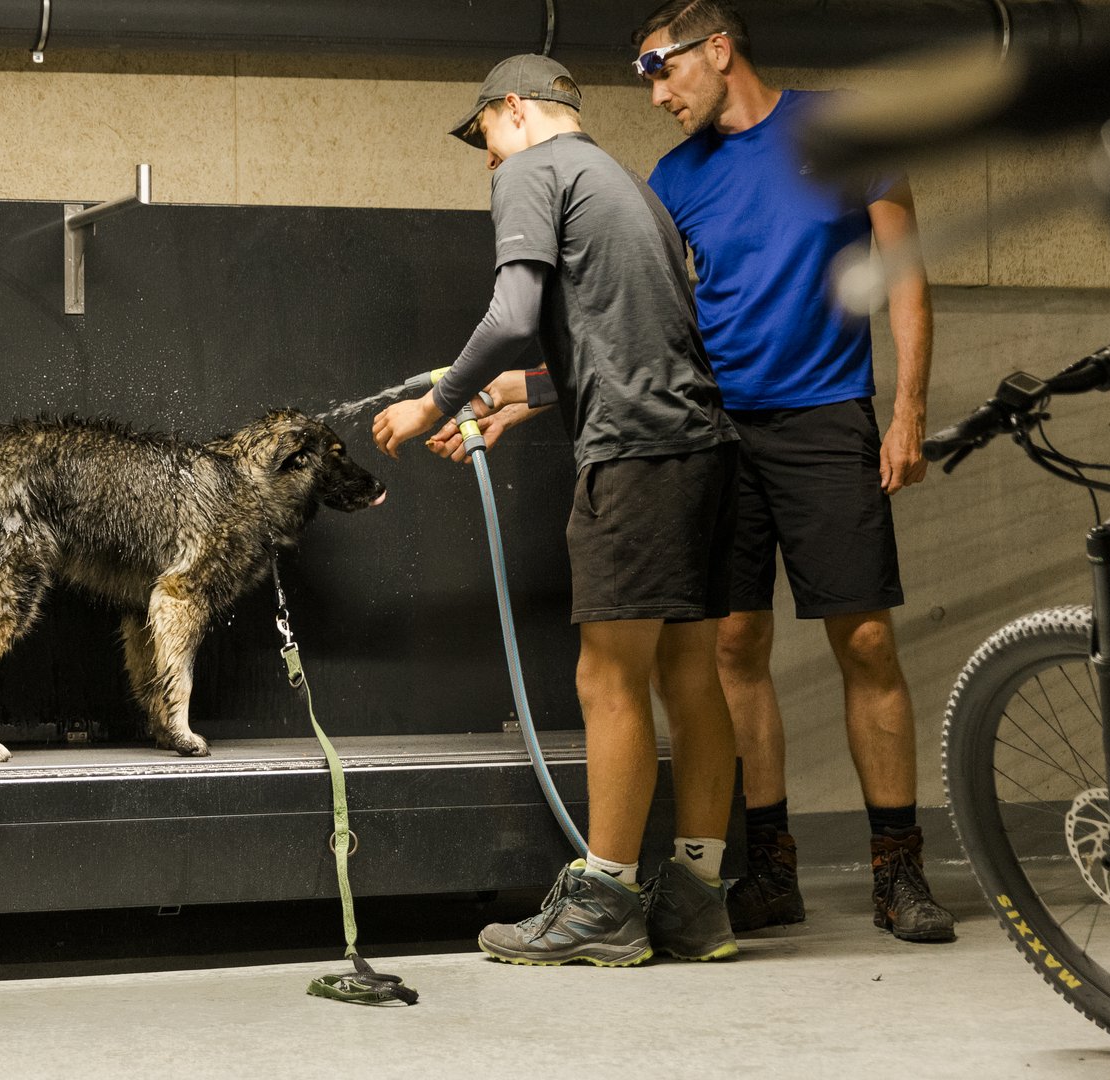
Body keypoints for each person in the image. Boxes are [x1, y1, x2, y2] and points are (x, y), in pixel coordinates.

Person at [372, 54, 742, 967]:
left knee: (607, 677)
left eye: (485, 138)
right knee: (691, 677)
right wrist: (525, 394)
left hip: (633, 457)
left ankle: (606, 901)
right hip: (701, 448)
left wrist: (435, 404)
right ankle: (698, 900)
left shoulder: (533, 170)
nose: (488, 161)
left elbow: (511, 315)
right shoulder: (628, 185)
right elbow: (634, 340)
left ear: (515, 110)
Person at [634, 0, 954, 942]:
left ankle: (898, 871)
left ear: (717, 49)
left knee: (866, 642)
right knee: (734, 645)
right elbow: (657, 314)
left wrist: (908, 410)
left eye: (660, 69)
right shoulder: (673, 179)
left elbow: (905, 272)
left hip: (827, 416)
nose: (655, 94)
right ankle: (771, 870)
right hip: (718, 429)